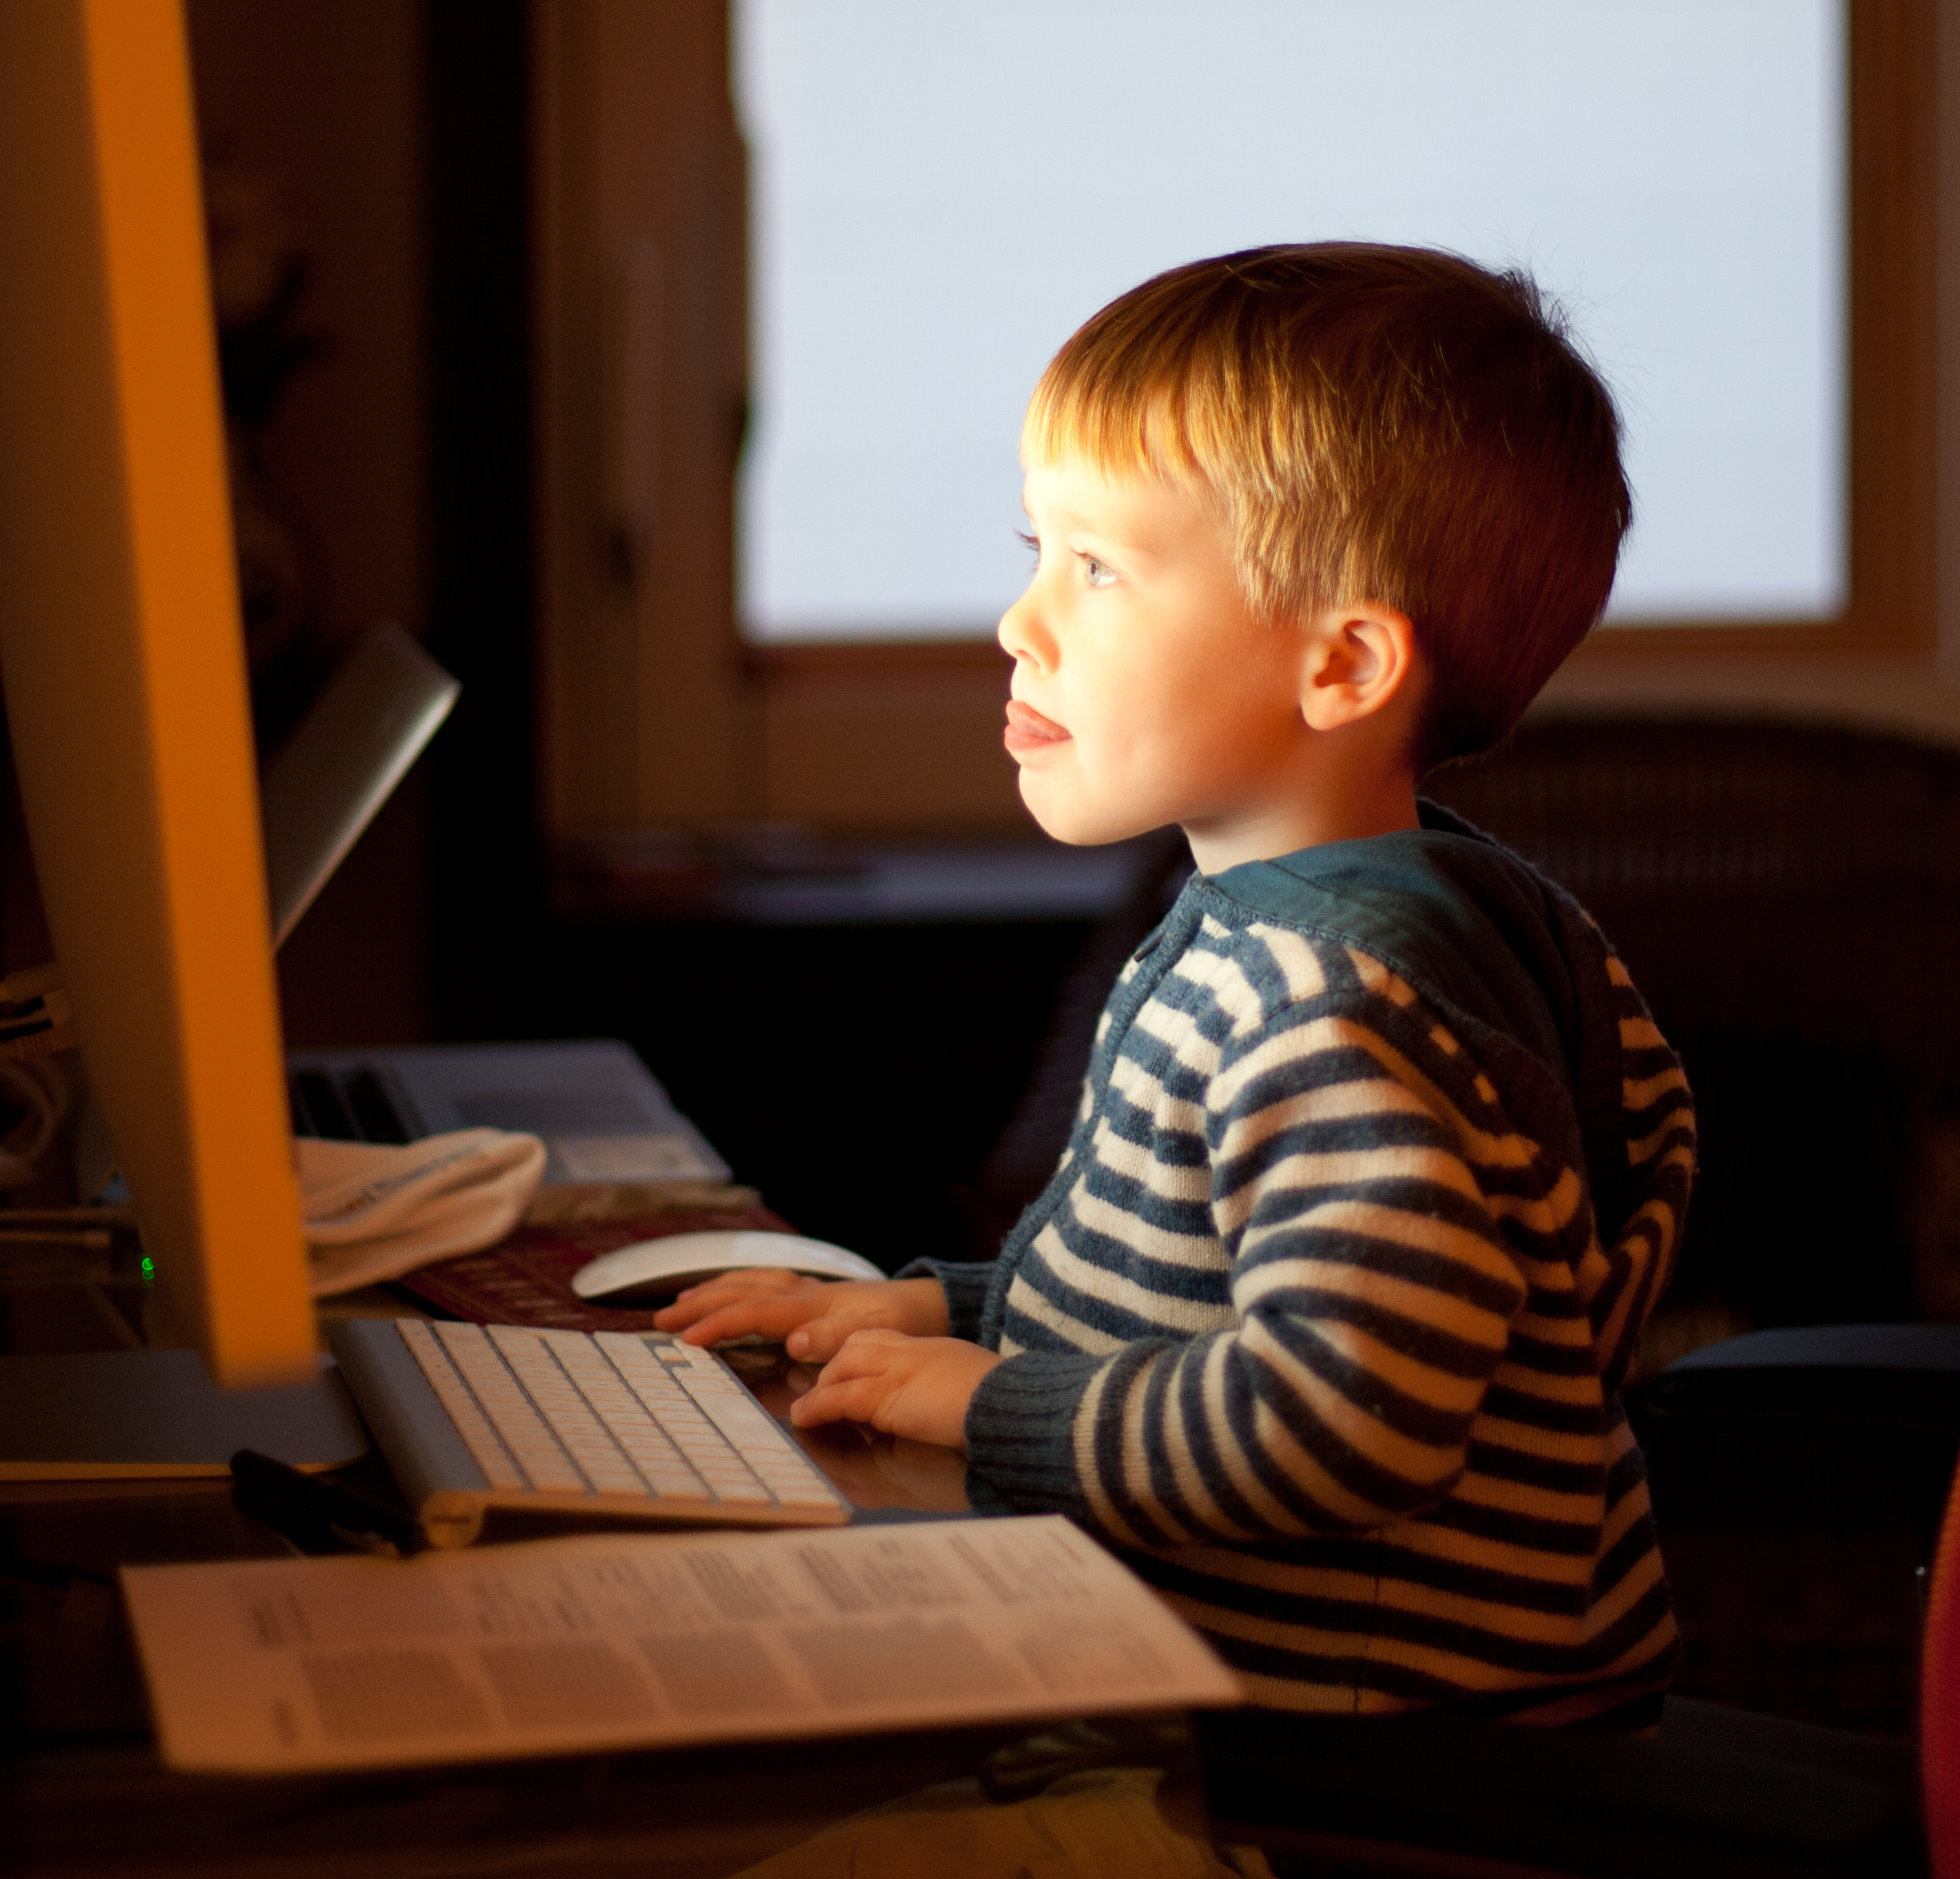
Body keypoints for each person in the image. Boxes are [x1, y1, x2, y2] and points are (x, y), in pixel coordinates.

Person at [663, 243, 1698, 1724]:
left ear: (1341, 667)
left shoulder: (1329, 1004)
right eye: (1033, 550)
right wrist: (949, 1318)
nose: (1021, 624)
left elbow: (1345, 1415)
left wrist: (991, 1406)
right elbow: (1203, 1288)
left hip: (1363, 1748)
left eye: (1096, 569)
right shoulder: (1377, 923)